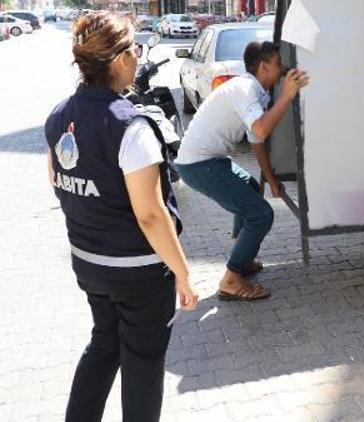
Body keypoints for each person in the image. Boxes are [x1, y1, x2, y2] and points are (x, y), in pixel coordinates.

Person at [44, 12, 199, 422]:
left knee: (104, 344)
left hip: (90, 263)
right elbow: (150, 215)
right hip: (139, 274)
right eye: (135, 49)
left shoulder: (59, 115)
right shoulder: (130, 126)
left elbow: (58, 181)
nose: (139, 56)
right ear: (117, 60)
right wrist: (181, 273)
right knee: (143, 363)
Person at [174, 41, 309, 302]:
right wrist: (287, 95)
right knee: (261, 214)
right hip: (199, 164)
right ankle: (231, 279)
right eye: (277, 64)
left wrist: (271, 181)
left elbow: (256, 142)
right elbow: (260, 130)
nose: (281, 70)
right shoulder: (246, 88)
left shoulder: (257, 92)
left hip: (208, 160)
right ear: (263, 66)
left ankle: (242, 257)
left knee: (249, 185)